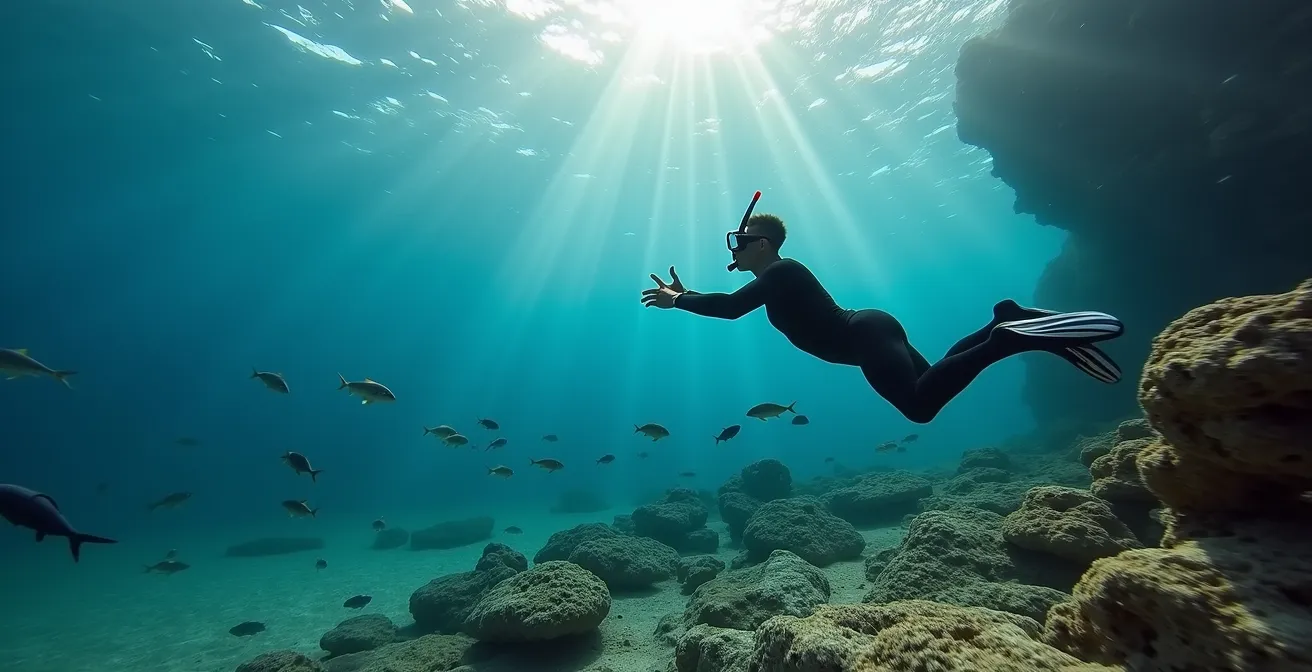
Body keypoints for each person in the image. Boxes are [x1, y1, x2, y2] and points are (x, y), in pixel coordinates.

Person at [640, 208, 1124, 424]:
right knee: (934, 379)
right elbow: (727, 301)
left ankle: (1009, 339)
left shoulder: (782, 271)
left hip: (863, 337)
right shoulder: (777, 277)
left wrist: (679, 301)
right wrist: (687, 294)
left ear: (761, 244)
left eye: (738, 241)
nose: (733, 250)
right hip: (869, 329)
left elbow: (729, 308)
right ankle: (1003, 320)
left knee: (919, 407)